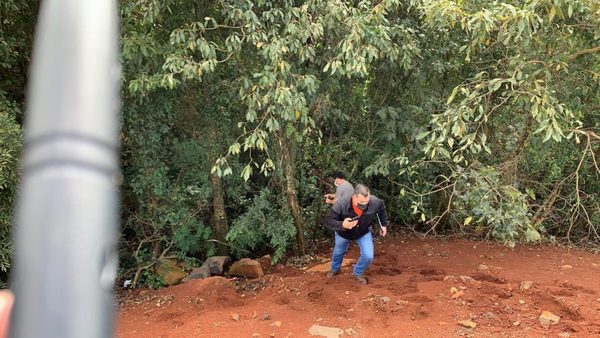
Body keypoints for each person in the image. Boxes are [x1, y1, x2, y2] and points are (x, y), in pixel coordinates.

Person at [324, 184, 388, 284]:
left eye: (367, 202)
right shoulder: (342, 204)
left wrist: (383, 225)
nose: (364, 205)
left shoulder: (375, 202)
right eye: (361, 202)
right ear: (354, 197)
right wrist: (342, 224)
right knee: (338, 252)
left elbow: (381, 210)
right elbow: (328, 220)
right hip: (343, 233)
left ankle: (358, 272)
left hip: (363, 232)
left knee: (368, 256)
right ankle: (335, 269)